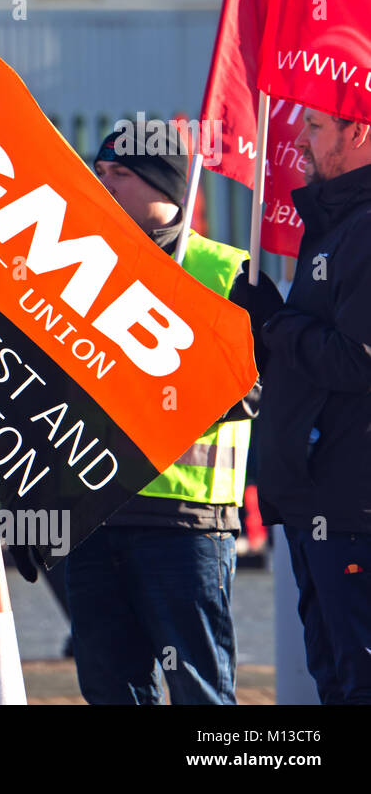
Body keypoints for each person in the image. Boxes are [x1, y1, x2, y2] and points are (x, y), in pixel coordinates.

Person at [65, 127, 277, 705]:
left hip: (185, 523)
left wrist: (161, 384)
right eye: (99, 173)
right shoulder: (75, 264)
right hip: (91, 513)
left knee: (201, 693)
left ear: (169, 186)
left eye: (120, 175)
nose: (101, 185)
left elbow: (258, 388)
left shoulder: (228, 274)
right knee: (112, 690)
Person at [251, 108, 371, 704]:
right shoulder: (335, 222)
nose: (298, 138)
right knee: (336, 682)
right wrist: (267, 336)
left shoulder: (366, 227)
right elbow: (315, 369)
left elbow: (358, 359)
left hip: (351, 513)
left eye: (317, 126)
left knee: (356, 683)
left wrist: (276, 322)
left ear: (359, 132)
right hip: (316, 503)